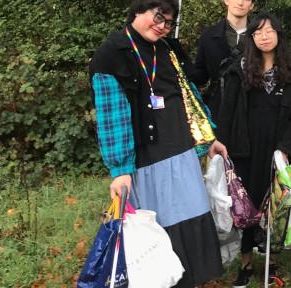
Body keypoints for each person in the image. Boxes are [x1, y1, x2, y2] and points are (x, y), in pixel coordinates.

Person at [89, 0, 228, 287]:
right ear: (138, 10)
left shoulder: (168, 49)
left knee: (191, 221)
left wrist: (208, 138)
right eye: (158, 17)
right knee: (160, 231)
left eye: (168, 21)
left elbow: (189, 97)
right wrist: (120, 169)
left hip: (183, 155)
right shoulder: (111, 54)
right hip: (148, 162)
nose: (163, 26)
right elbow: (111, 117)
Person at [214, 13, 291, 287]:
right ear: (252, 38)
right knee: (246, 205)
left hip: (276, 149)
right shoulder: (239, 69)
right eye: (258, 32)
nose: (264, 36)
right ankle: (245, 264)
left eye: (269, 31)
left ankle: (270, 261)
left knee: (273, 204)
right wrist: (220, 141)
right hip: (244, 148)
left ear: (278, 35)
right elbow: (227, 109)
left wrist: (285, 148)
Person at [191, 0, 255, 117]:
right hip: (217, 105)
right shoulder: (209, 35)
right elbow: (200, 74)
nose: (240, 3)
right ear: (226, 1)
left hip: (250, 106)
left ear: (252, 5)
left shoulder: (259, 36)